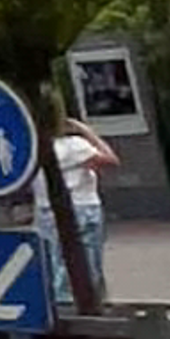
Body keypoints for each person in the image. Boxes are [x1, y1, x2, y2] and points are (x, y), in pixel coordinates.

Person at [50, 121, 118, 305]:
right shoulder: (73, 145)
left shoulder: (33, 148)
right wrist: (88, 132)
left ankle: (60, 303)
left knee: (55, 261)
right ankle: (85, 304)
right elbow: (110, 160)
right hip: (81, 206)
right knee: (86, 261)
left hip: (45, 209)